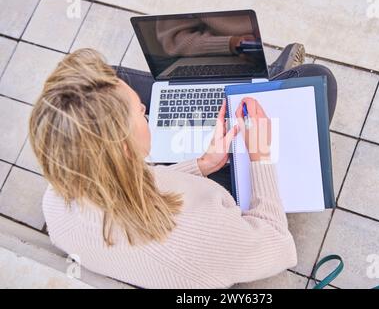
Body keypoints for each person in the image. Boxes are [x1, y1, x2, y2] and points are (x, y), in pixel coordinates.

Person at [30, 44, 336, 289]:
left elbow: (132, 188)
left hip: (179, 211)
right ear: (123, 148)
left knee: (110, 76)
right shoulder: (201, 236)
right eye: (140, 113)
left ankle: (268, 77)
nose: (144, 108)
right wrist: (260, 156)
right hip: (212, 233)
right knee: (317, 78)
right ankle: (272, 77)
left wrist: (201, 164)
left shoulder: (57, 199)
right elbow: (277, 246)